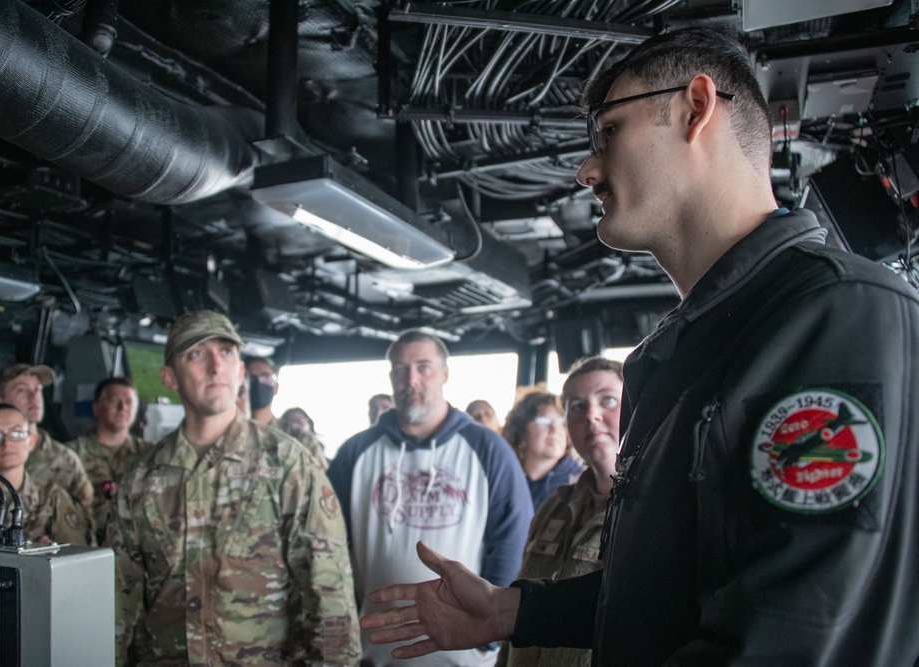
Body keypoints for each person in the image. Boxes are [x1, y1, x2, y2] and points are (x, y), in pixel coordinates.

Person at [360, 26, 919, 666]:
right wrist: (512, 610)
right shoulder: (684, 349)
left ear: (695, 108)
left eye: (609, 132)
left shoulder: (833, 314)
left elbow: (795, 635)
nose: (586, 168)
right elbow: (677, 595)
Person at [105, 310, 360, 666]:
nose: (215, 366)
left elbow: (329, 599)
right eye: (196, 354)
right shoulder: (141, 478)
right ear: (170, 377)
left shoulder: (288, 465)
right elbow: (118, 601)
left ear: (240, 372)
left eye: (226, 353)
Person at [328, 330, 532, 666]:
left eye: (424, 367)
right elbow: (328, 543)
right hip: (374, 649)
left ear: (445, 374)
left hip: (463, 651)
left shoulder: (489, 449)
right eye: (400, 370)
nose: (411, 380)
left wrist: (490, 636)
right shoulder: (356, 451)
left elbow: (510, 541)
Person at [497, 358, 622, 667]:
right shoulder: (555, 507)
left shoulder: (655, 510)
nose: (591, 415)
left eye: (608, 400)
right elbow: (514, 610)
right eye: (576, 406)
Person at [0, 363, 93, 510]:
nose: (35, 396)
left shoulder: (65, 460)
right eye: (21, 390)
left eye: (38, 389)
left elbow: (84, 518)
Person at [0, 403, 93, 546]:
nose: (6, 443)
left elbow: (77, 557)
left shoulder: (51, 498)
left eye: (17, 433)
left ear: (31, 441)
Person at [65, 377, 149, 545]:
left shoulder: (149, 454)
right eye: (114, 401)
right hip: (87, 543)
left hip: (137, 546)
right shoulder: (71, 454)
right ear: (96, 408)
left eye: (129, 402)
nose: (122, 408)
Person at [501, 391, 583, 512]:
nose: (555, 429)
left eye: (561, 422)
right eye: (544, 421)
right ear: (521, 431)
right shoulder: (504, 481)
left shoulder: (580, 483)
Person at [244, 355, 328, 468]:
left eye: (266, 377)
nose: (258, 382)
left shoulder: (299, 438)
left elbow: (320, 479)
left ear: (276, 388)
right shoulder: (228, 432)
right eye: (251, 378)